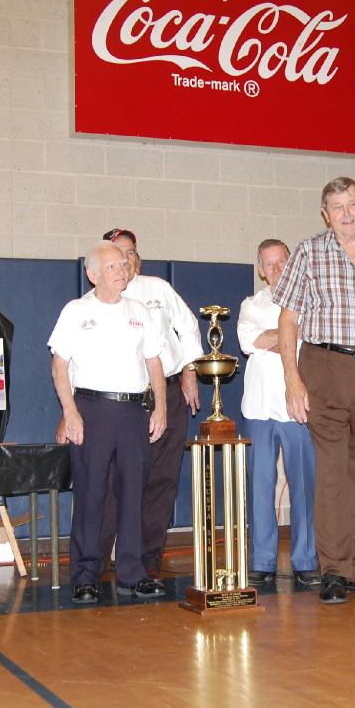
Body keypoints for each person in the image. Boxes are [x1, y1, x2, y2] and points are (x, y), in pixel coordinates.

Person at [273, 177, 355, 604]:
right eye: (337, 207)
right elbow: (288, 320)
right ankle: (334, 571)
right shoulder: (309, 252)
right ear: (325, 215)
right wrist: (292, 379)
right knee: (331, 473)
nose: (346, 213)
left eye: (353, 204)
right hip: (324, 366)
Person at [49, 241, 168, 604]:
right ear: (93, 274)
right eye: (113, 266)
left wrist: (160, 407)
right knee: (90, 493)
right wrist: (70, 412)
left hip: (133, 411)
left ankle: (132, 573)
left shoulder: (139, 311)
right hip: (92, 410)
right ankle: (85, 575)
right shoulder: (76, 311)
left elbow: (154, 362)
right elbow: (59, 366)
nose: (122, 270)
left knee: (134, 493)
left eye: (123, 264)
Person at [98, 228, 204, 578]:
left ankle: (148, 558)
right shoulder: (95, 302)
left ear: (138, 260)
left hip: (168, 392)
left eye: (130, 253)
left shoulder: (158, 288)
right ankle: (97, 560)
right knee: (114, 478)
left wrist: (190, 371)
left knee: (162, 476)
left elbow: (188, 327)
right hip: (123, 399)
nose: (124, 260)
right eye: (117, 254)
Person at [237, 239, 320, 586]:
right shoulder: (250, 304)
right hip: (258, 408)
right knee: (259, 485)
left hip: (298, 406)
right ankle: (263, 559)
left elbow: (309, 339)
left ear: (292, 264)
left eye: (282, 262)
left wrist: (271, 339)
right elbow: (248, 342)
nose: (276, 269)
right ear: (260, 269)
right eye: (269, 264)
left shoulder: (310, 301)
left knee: (304, 484)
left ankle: (305, 559)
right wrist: (286, 336)